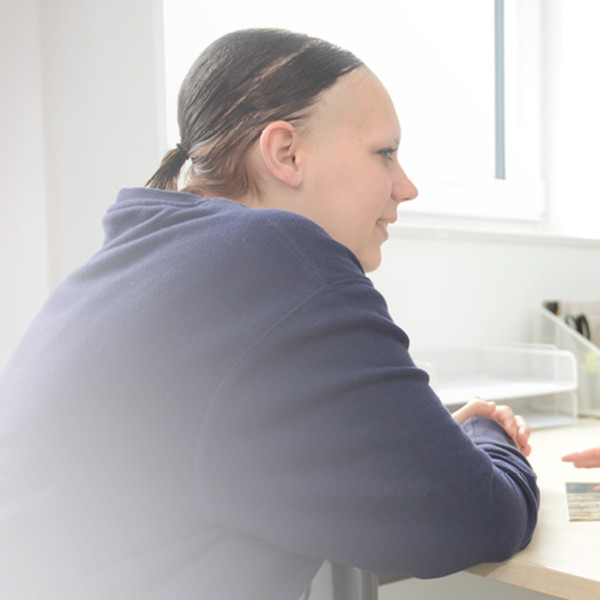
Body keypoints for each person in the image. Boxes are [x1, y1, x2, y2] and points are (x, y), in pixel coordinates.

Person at [0, 28, 538, 600]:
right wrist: (486, 435)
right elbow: (477, 518)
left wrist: (411, 445)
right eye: (385, 152)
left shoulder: (144, 261)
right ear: (286, 153)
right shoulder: (277, 254)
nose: (406, 187)